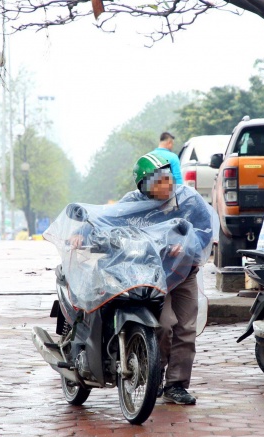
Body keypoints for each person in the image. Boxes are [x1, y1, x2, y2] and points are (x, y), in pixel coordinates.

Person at [69, 153, 213, 405]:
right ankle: (153, 375)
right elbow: (106, 218)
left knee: (186, 328)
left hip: (185, 272)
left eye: (166, 178)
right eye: (156, 182)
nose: (164, 185)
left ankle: (177, 384)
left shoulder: (190, 199)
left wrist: (188, 244)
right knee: (165, 325)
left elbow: (204, 231)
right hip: (154, 274)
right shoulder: (134, 202)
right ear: (144, 187)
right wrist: (82, 232)